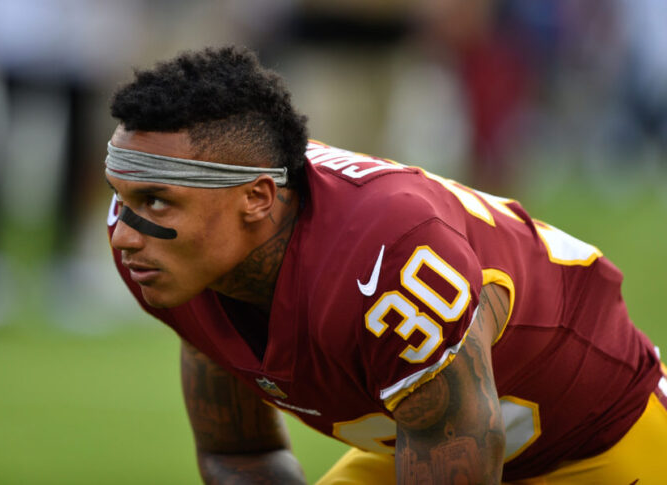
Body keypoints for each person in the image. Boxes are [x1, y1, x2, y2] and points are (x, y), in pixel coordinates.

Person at [104, 46, 667, 484]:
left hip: (598, 437)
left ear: (256, 198)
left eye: (156, 200)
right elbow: (240, 452)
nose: (125, 233)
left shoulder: (384, 257)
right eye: (120, 197)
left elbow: (458, 447)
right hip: (432, 440)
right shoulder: (180, 252)